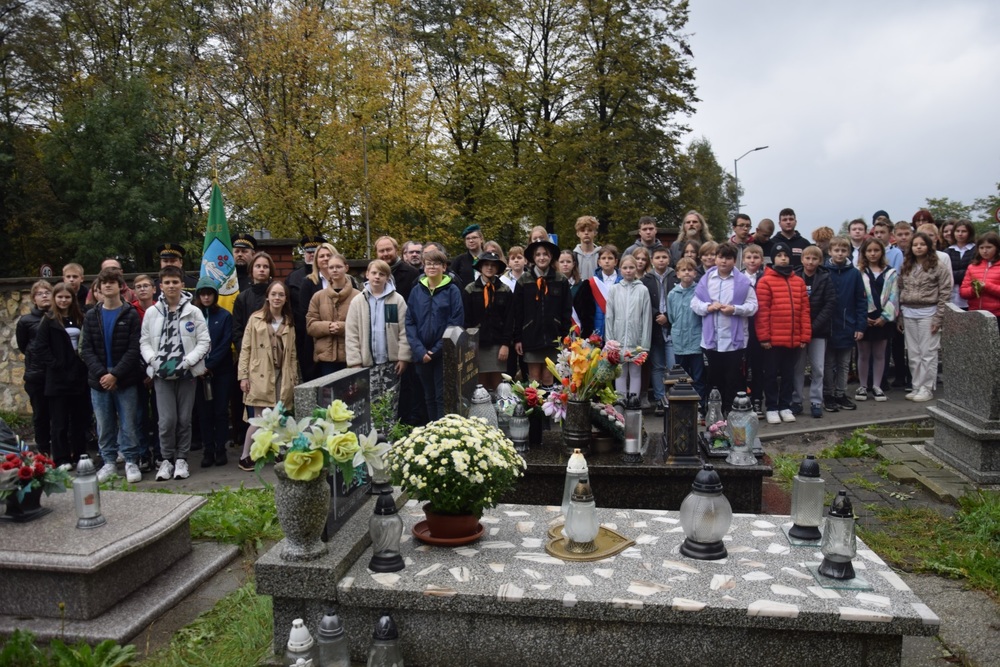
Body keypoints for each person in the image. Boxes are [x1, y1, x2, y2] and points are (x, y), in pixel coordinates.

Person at [141, 266, 210, 481]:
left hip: (186, 374)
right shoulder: (152, 312)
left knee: (184, 419)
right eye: (167, 282)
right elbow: (144, 341)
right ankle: (166, 460)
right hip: (162, 374)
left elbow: (204, 341)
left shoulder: (193, 311)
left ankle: (181, 459)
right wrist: (154, 361)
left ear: (182, 285)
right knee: (166, 420)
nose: (171, 286)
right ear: (161, 286)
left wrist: (188, 362)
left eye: (175, 282)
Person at [81, 267, 145, 483]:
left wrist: (115, 374)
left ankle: (131, 461)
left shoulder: (130, 314)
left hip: (125, 379)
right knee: (104, 424)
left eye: (112, 282)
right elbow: (86, 349)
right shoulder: (91, 315)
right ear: (98, 288)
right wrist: (102, 374)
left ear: (121, 286)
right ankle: (108, 462)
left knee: (129, 423)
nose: (108, 285)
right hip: (99, 380)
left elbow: (134, 349)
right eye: (104, 283)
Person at [690, 242, 758, 415]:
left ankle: (731, 412)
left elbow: (753, 306)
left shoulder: (743, 282)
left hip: (734, 341)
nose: (724, 261)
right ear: (716, 259)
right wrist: (708, 307)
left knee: (733, 378)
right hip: (711, 340)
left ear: (734, 261)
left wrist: (735, 309)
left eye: (728, 258)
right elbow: (695, 303)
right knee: (713, 378)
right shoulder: (706, 279)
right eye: (721, 257)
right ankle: (714, 412)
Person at [237, 281, 298, 470]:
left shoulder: (289, 322)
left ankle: (278, 452)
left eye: (281, 295)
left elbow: (292, 353)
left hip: (282, 374)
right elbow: (245, 349)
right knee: (260, 418)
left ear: (285, 298)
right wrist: (243, 376)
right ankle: (245, 456)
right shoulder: (255, 319)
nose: (277, 298)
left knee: (278, 416)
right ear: (267, 297)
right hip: (259, 373)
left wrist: (294, 378)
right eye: (274, 294)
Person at [28, 282, 89, 466]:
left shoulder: (80, 317)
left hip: (78, 375)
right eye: (60, 297)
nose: (63, 300)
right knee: (59, 421)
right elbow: (40, 347)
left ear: (73, 299)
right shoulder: (48, 320)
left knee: (79, 419)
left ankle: (80, 455)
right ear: (55, 298)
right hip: (57, 377)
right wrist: (55, 364)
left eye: (67, 297)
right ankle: (61, 458)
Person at [755, 242, 811, 424]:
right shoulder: (765, 281)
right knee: (771, 374)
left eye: (786, 255)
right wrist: (764, 337)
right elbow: (762, 312)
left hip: (792, 338)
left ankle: (785, 406)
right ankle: (772, 407)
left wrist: (804, 336)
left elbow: (804, 311)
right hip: (772, 340)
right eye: (779, 256)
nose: (783, 258)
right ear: (773, 258)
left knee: (788, 374)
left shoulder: (798, 281)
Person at [406, 249, 464, 421]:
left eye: (436, 264)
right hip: (421, 353)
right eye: (428, 263)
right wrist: (419, 350)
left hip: (443, 353)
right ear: (424, 267)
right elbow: (410, 321)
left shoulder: (452, 290)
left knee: (442, 397)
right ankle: (433, 429)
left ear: (444, 267)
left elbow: (456, 322)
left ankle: (442, 431)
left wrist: (437, 349)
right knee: (428, 397)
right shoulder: (416, 291)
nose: (432, 267)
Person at [898, 232, 951, 402]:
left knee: (928, 352)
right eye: (915, 245)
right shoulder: (906, 265)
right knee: (913, 353)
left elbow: (945, 292)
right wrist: (900, 316)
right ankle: (916, 385)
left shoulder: (938, 266)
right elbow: (900, 289)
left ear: (928, 246)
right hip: (908, 312)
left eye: (922, 244)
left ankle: (926, 388)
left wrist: (939, 318)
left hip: (929, 312)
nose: (918, 247)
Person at [512, 240, 572, 387]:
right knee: (534, 379)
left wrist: (565, 337)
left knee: (548, 377)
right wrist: (518, 338)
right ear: (533, 258)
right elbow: (517, 312)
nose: (542, 257)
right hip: (531, 336)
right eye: (538, 254)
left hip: (553, 337)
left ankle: (549, 402)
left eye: (545, 254)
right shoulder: (524, 280)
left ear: (551, 257)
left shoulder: (561, 280)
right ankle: (534, 402)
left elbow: (566, 311)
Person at [345, 260, 412, 391]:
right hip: (365, 364)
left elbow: (404, 330)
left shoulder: (397, 300)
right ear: (367, 274)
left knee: (389, 400)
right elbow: (351, 333)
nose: (377, 277)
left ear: (387, 277)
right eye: (374, 273)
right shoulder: (358, 301)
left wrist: (403, 357)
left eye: (382, 274)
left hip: (391, 363)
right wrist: (355, 362)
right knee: (369, 400)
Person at [822, 237, 866, 412]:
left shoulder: (854, 273)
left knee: (844, 363)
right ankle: (828, 394)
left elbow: (861, 301)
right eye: (836, 250)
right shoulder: (824, 271)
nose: (840, 254)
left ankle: (841, 393)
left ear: (848, 252)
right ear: (830, 252)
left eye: (843, 251)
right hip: (828, 325)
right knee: (828, 363)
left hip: (848, 325)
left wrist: (860, 326)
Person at [194, 279, 234, 468]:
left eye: (209, 293)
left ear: (215, 296)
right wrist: (198, 366)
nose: (206, 297)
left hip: (221, 371)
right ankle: (207, 449)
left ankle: (220, 449)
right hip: (198, 372)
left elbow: (226, 343)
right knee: (204, 413)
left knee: (220, 411)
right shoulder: (192, 316)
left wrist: (209, 365)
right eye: (203, 294)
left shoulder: (224, 315)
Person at [793, 246, 835, 419]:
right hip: (798, 331)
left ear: (820, 261)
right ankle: (796, 400)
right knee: (798, 367)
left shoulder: (825, 278)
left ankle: (816, 401)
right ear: (802, 259)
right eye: (807, 258)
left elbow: (830, 304)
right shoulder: (794, 277)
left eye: (814, 259)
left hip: (818, 331)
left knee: (818, 368)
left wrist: (813, 327)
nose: (810, 262)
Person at [855, 239, 898, 404]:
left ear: (882, 252)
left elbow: (894, 296)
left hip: (883, 319)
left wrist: (884, 317)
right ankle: (862, 385)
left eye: (876, 250)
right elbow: (855, 296)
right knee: (863, 354)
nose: (873, 254)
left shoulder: (890, 272)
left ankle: (877, 386)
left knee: (880, 354)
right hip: (864, 317)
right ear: (864, 253)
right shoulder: (858, 272)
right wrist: (862, 317)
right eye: (869, 251)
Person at [463, 252, 513, 391]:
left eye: (493, 265)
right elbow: (466, 319)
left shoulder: (505, 290)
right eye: (486, 264)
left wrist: (505, 344)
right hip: (478, 343)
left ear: (497, 268)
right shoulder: (470, 289)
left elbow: (509, 319)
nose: (489, 268)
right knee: (481, 384)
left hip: (498, 343)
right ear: (480, 267)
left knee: (498, 384)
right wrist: (470, 343)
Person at [306, 251, 360, 378]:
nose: (334, 270)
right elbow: (310, 325)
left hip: (351, 356)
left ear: (346, 268)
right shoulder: (318, 296)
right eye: (331, 267)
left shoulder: (358, 296)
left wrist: (342, 327)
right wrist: (328, 327)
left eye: (338, 267)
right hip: (326, 358)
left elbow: (363, 325)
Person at [605, 254, 650, 397]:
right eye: (625, 268)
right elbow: (609, 316)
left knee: (636, 372)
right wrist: (610, 342)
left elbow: (646, 318)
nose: (628, 270)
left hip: (636, 341)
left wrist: (644, 345)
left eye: (631, 267)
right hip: (618, 341)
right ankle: (621, 400)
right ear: (620, 269)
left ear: (636, 269)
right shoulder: (614, 289)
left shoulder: (643, 290)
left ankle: (634, 400)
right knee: (620, 372)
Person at [16, 280, 53, 456]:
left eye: (47, 292)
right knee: (40, 413)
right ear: (33, 298)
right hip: (36, 374)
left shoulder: (58, 317)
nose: (44, 296)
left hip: (56, 373)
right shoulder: (26, 321)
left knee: (61, 413)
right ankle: (43, 449)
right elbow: (24, 346)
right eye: (40, 293)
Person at [642, 246, 676, 414]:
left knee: (673, 365)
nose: (661, 260)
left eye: (664, 257)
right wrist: (657, 314)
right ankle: (660, 399)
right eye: (657, 257)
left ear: (669, 259)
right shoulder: (646, 280)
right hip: (655, 328)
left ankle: (674, 398)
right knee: (657, 366)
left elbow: (678, 301)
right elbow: (645, 302)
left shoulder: (675, 277)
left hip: (671, 327)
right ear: (652, 260)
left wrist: (668, 316)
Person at [667, 258, 706, 406]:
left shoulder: (699, 292)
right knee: (681, 376)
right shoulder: (672, 294)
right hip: (679, 341)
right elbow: (671, 317)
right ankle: (684, 406)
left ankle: (700, 405)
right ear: (677, 274)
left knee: (698, 375)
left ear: (695, 273)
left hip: (696, 340)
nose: (687, 273)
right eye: (683, 270)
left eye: (690, 270)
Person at [287, 235, 326, 380]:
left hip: (326, 332)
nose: (311, 255)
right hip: (303, 335)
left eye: (315, 252)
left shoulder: (329, 277)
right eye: (308, 252)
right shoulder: (293, 277)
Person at [574, 244, 621, 339]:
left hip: (618, 329)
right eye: (603, 258)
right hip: (597, 330)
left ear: (616, 262)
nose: (607, 261)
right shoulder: (591, 283)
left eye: (610, 258)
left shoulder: (623, 282)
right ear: (599, 262)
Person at [742, 244, 766, 415]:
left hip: (760, 327)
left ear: (761, 260)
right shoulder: (738, 278)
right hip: (742, 326)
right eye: (749, 257)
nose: (752, 260)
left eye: (756, 257)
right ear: (743, 260)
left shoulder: (766, 278)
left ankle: (757, 399)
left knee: (758, 366)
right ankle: (744, 398)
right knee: (743, 366)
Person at [959, 231, 1000, 330]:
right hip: (975, 314)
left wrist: (987, 286)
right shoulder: (972, 266)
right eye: (981, 248)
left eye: (989, 247)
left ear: (997, 248)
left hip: (996, 315)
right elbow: (963, 292)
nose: (985, 251)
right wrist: (974, 290)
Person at [376, 235, 420, 301]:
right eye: (381, 251)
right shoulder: (372, 274)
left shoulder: (412, 273)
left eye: (388, 250)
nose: (385, 254)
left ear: (396, 250)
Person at [947, 220, 976, 308]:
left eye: (964, 231)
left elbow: (974, 272)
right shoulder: (948, 251)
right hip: (951, 295)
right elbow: (945, 273)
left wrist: (954, 274)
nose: (960, 234)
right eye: (957, 231)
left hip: (969, 294)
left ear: (970, 233)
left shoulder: (976, 250)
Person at [573, 215, 602, 280]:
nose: (586, 233)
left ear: (595, 233)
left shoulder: (601, 255)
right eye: (582, 230)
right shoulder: (574, 256)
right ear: (578, 233)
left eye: (590, 230)